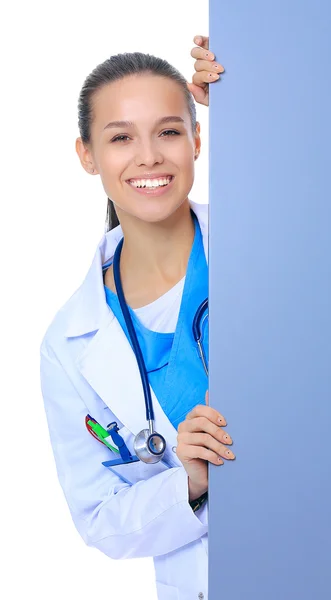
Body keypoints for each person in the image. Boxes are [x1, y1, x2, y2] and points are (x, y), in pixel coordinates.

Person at [40, 36, 234, 600]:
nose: (149, 156)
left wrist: (252, 104)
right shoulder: (70, 342)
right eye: (121, 137)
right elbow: (98, 516)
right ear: (87, 154)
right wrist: (190, 483)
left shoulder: (260, 242)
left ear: (196, 140)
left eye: (170, 131)